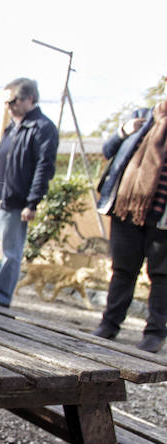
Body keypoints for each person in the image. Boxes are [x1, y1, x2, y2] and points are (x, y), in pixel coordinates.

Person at [91, 78, 167, 353]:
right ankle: (109, 325)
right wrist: (123, 131)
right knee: (123, 270)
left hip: (162, 217)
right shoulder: (142, 118)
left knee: (162, 275)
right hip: (125, 207)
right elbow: (108, 150)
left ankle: (155, 333)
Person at [0, 77, 58, 308]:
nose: (8, 106)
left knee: (11, 250)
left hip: (16, 200)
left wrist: (32, 202)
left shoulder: (42, 127)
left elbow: (44, 167)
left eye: (13, 101)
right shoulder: (12, 126)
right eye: (6, 102)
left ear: (29, 98)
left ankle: (1, 296)